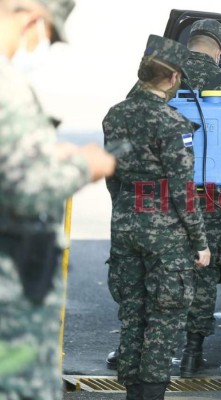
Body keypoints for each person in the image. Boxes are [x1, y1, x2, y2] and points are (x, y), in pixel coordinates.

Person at [106, 18, 221, 378]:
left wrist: (122, 193)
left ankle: (131, 348)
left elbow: (125, 134)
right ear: (220, 51)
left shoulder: (157, 78)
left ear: (188, 43)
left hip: (156, 196)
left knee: (146, 271)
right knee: (202, 270)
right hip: (210, 195)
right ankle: (193, 352)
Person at [0, 0, 116, 399]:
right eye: (47, 36)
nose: (41, 46)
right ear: (32, 19)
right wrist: (86, 166)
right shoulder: (8, 85)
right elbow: (27, 191)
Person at [102, 34, 211, 400]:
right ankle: (151, 394)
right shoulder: (173, 124)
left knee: (133, 313)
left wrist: (126, 209)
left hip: (126, 221)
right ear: (174, 77)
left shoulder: (115, 115)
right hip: (166, 232)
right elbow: (183, 192)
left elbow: (112, 176)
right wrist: (200, 242)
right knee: (165, 318)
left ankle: (133, 391)